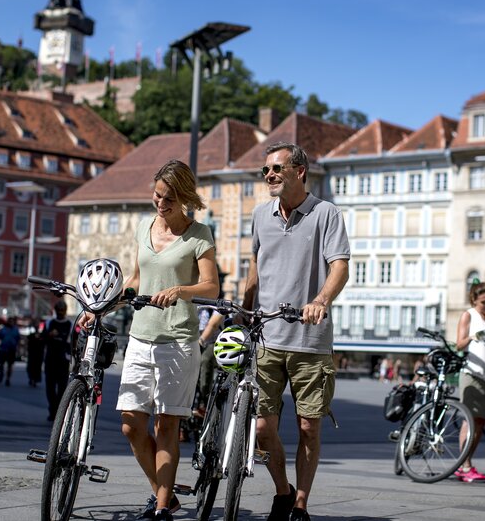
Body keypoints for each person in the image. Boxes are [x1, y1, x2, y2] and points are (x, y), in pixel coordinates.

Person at [242, 141, 350, 521]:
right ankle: (282, 490)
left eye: (276, 169)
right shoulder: (259, 215)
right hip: (267, 338)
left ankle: (300, 503)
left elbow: (340, 267)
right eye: (265, 171)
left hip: (310, 338)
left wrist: (320, 300)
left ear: (299, 171)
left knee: (308, 427)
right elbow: (255, 266)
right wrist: (244, 307)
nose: (269, 176)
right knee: (260, 428)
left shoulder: (326, 214)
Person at [114, 159, 219, 521]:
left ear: (185, 198)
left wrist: (181, 290)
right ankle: (167, 493)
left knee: (166, 424)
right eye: (158, 196)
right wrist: (102, 305)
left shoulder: (199, 234)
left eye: (170, 199)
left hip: (177, 340)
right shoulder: (145, 227)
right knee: (130, 423)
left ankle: (161, 507)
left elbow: (211, 286)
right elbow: (136, 278)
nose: (161, 204)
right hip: (140, 336)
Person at [454, 281, 485, 483]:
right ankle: (463, 466)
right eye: (484, 302)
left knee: (481, 422)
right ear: (474, 300)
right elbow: (458, 344)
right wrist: (474, 337)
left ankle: (468, 462)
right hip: (473, 373)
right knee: (470, 419)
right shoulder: (469, 315)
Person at [43, 301, 73, 422]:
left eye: (63, 310)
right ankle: (52, 410)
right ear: (55, 310)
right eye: (59, 310)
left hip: (63, 361)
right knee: (50, 388)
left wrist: (74, 360)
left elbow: (73, 343)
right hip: (50, 359)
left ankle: (58, 413)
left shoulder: (70, 325)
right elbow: (43, 338)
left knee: (61, 389)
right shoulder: (49, 323)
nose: (61, 312)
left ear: (65, 311)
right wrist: (50, 335)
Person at [0, 317, 20, 386]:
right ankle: (1, 373)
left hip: (12, 349)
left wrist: (17, 348)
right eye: (9, 321)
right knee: (1, 364)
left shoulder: (16, 330)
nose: (11, 322)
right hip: (3, 349)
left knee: (10, 365)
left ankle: (8, 379)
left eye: (12, 321)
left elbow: (18, 339)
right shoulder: (3, 329)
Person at [26, 317, 45, 388]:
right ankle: (31, 378)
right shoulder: (30, 331)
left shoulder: (42, 332)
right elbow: (28, 341)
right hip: (32, 353)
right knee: (31, 366)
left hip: (39, 353)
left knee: (37, 367)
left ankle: (35, 379)